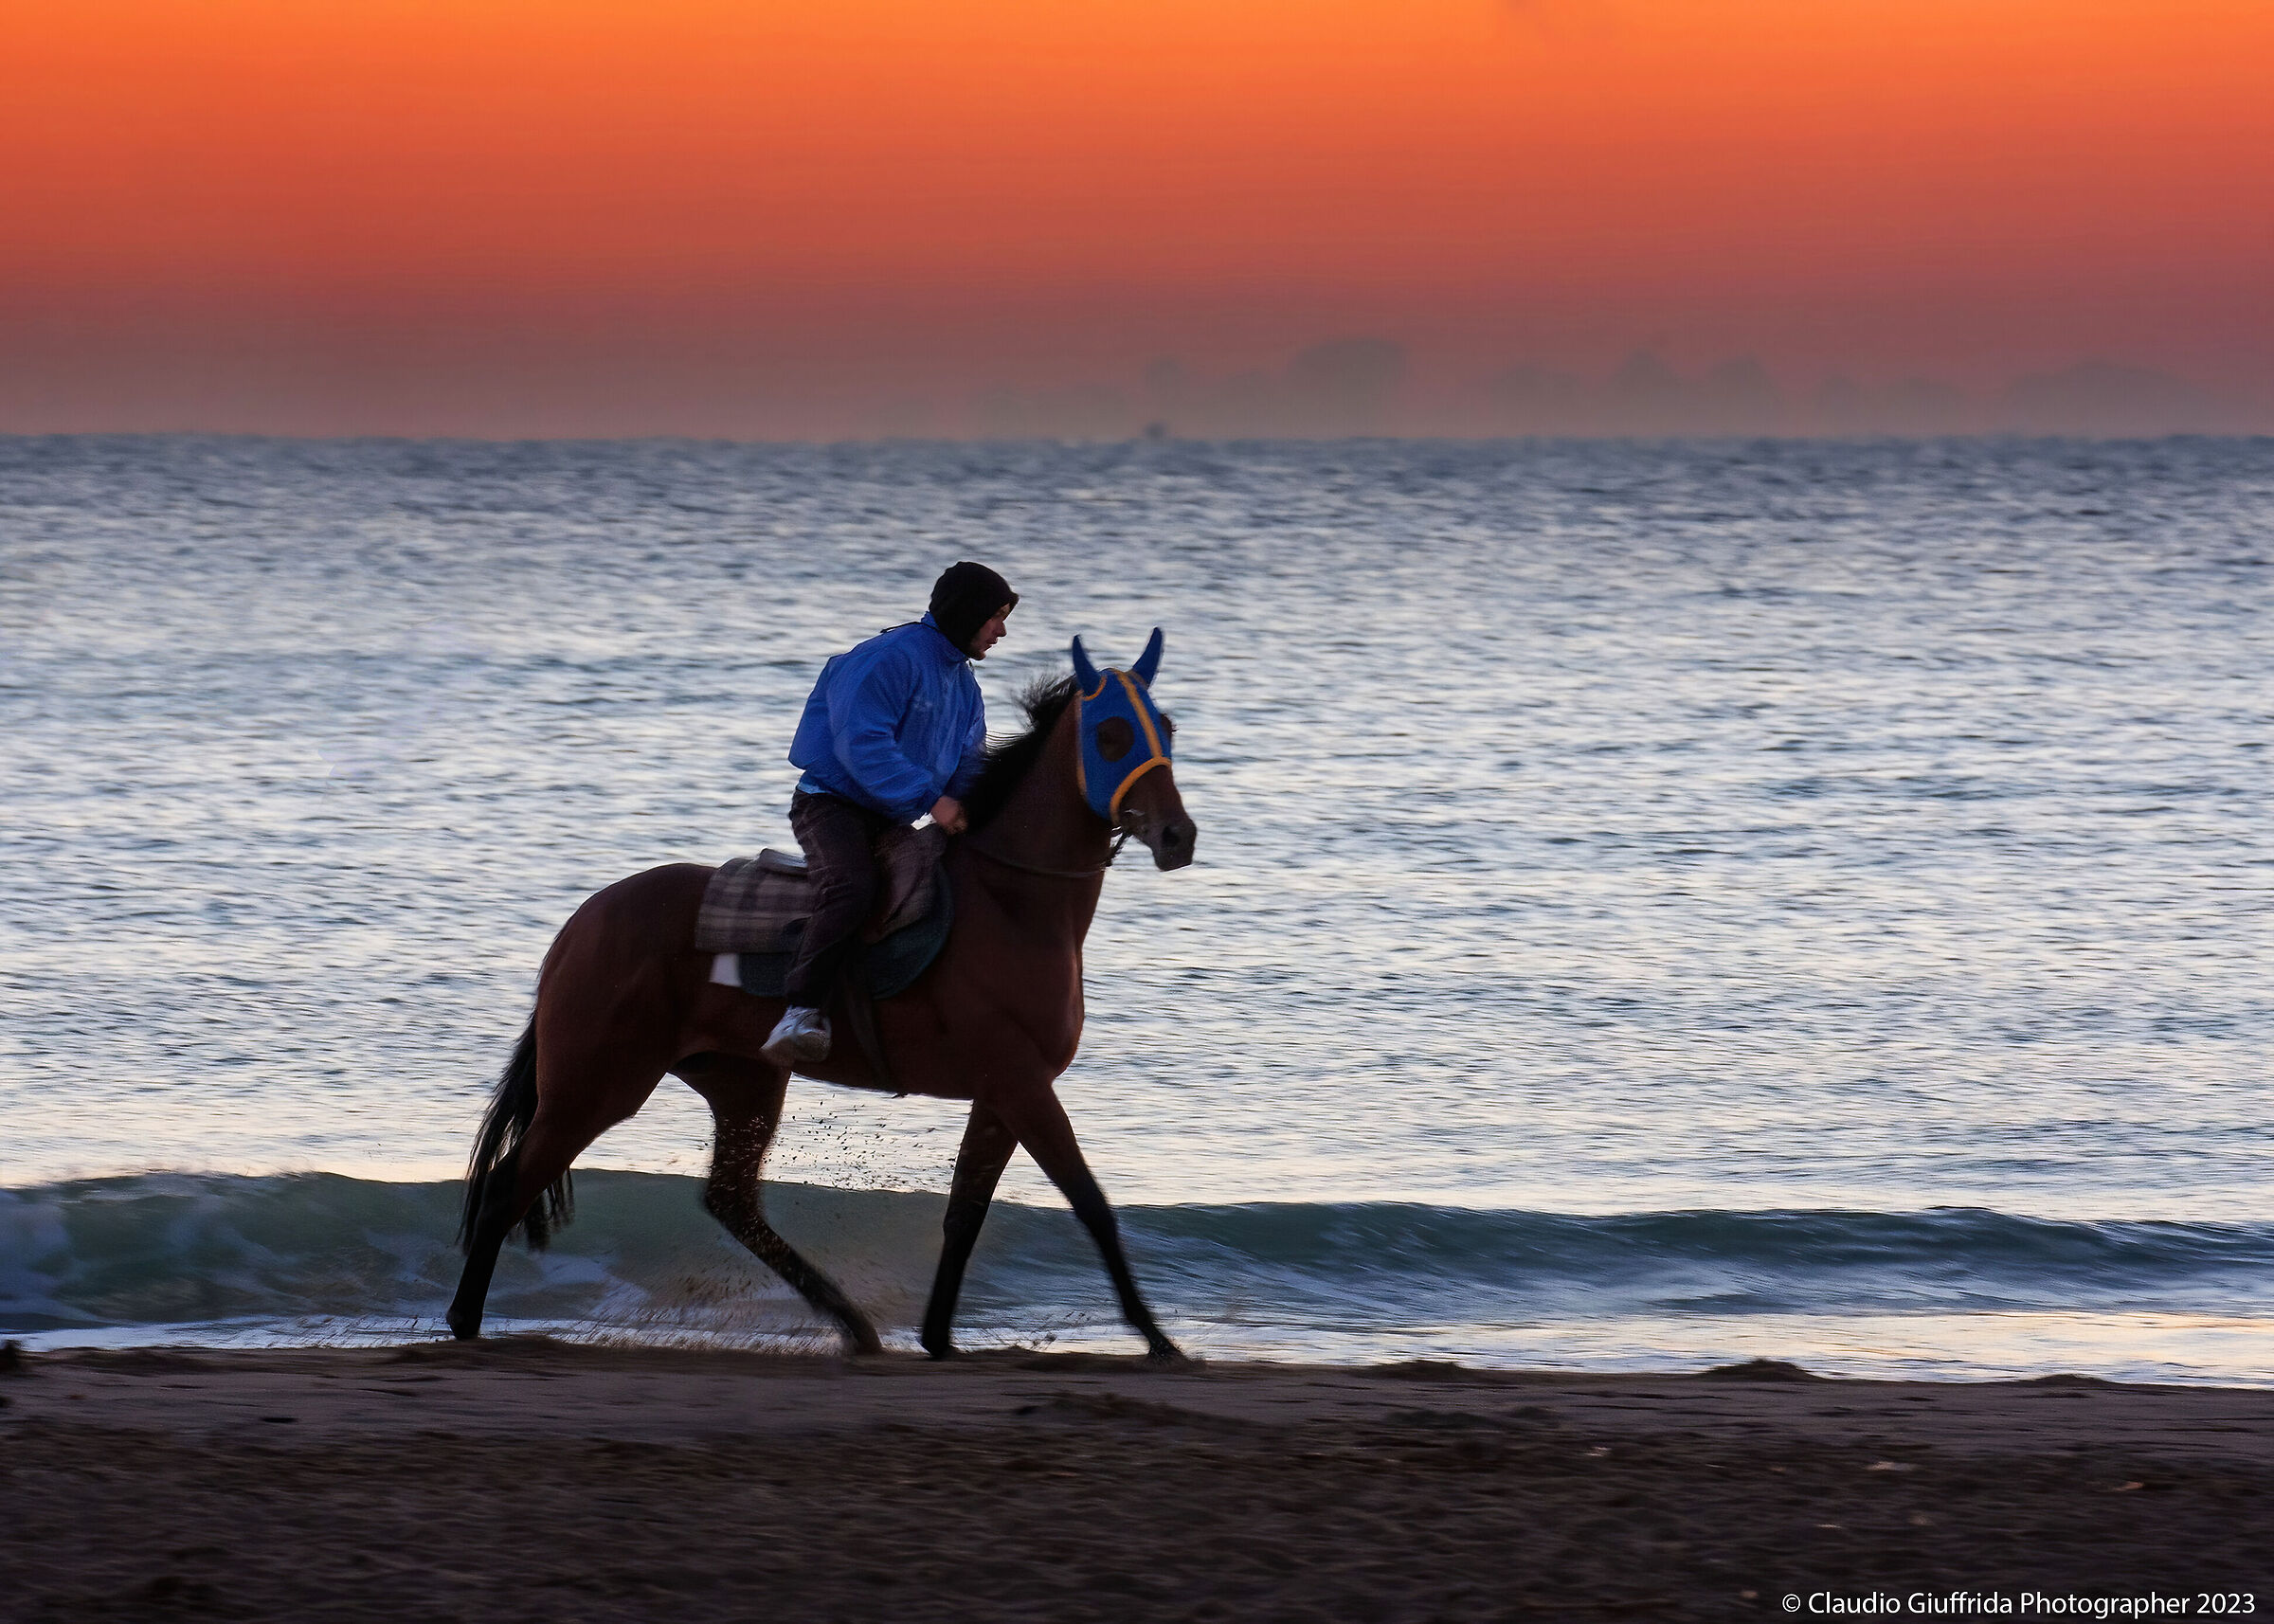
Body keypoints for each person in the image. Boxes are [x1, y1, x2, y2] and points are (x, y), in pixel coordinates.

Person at [761, 562, 1017, 1068]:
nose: (1001, 632)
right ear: (966, 614)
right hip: (829, 805)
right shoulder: (889, 657)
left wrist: (981, 810)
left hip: (892, 817)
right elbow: (862, 742)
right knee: (853, 887)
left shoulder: (964, 686)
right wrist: (933, 801)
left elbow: (969, 762)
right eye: (996, 617)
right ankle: (799, 1010)